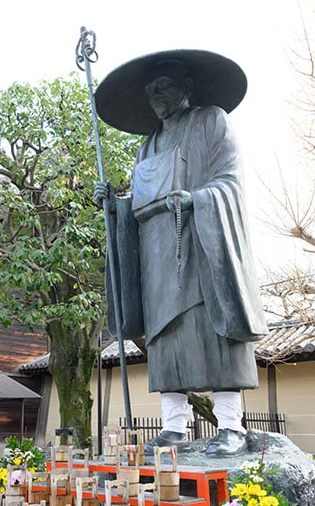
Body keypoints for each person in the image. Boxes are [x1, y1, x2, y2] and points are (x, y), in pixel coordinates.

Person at [93, 50, 268, 456]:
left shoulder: (211, 121)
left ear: (186, 86)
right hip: (156, 253)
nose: (156, 94)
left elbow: (229, 179)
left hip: (199, 241)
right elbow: (138, 204)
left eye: (164, 85)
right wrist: (114, 206)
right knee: (163, 340)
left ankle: (230, 425)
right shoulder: (148, 144)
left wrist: (197, 199)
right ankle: (174, 426)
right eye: (151, 89)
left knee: (214, 330)